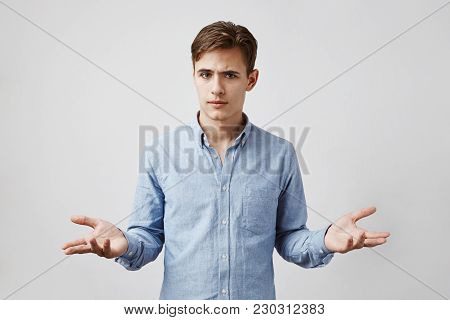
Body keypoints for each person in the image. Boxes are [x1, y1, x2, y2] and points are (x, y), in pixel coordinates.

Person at [62, 21, 390, 299]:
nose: (216, 87)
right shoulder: (160, 153)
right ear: (193, 75)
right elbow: (148, 238)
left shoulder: (281, 154)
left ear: (251, 79)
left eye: (230, 75)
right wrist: (123, 244)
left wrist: (327, 239)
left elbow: (289, 237)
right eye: (206, 74)